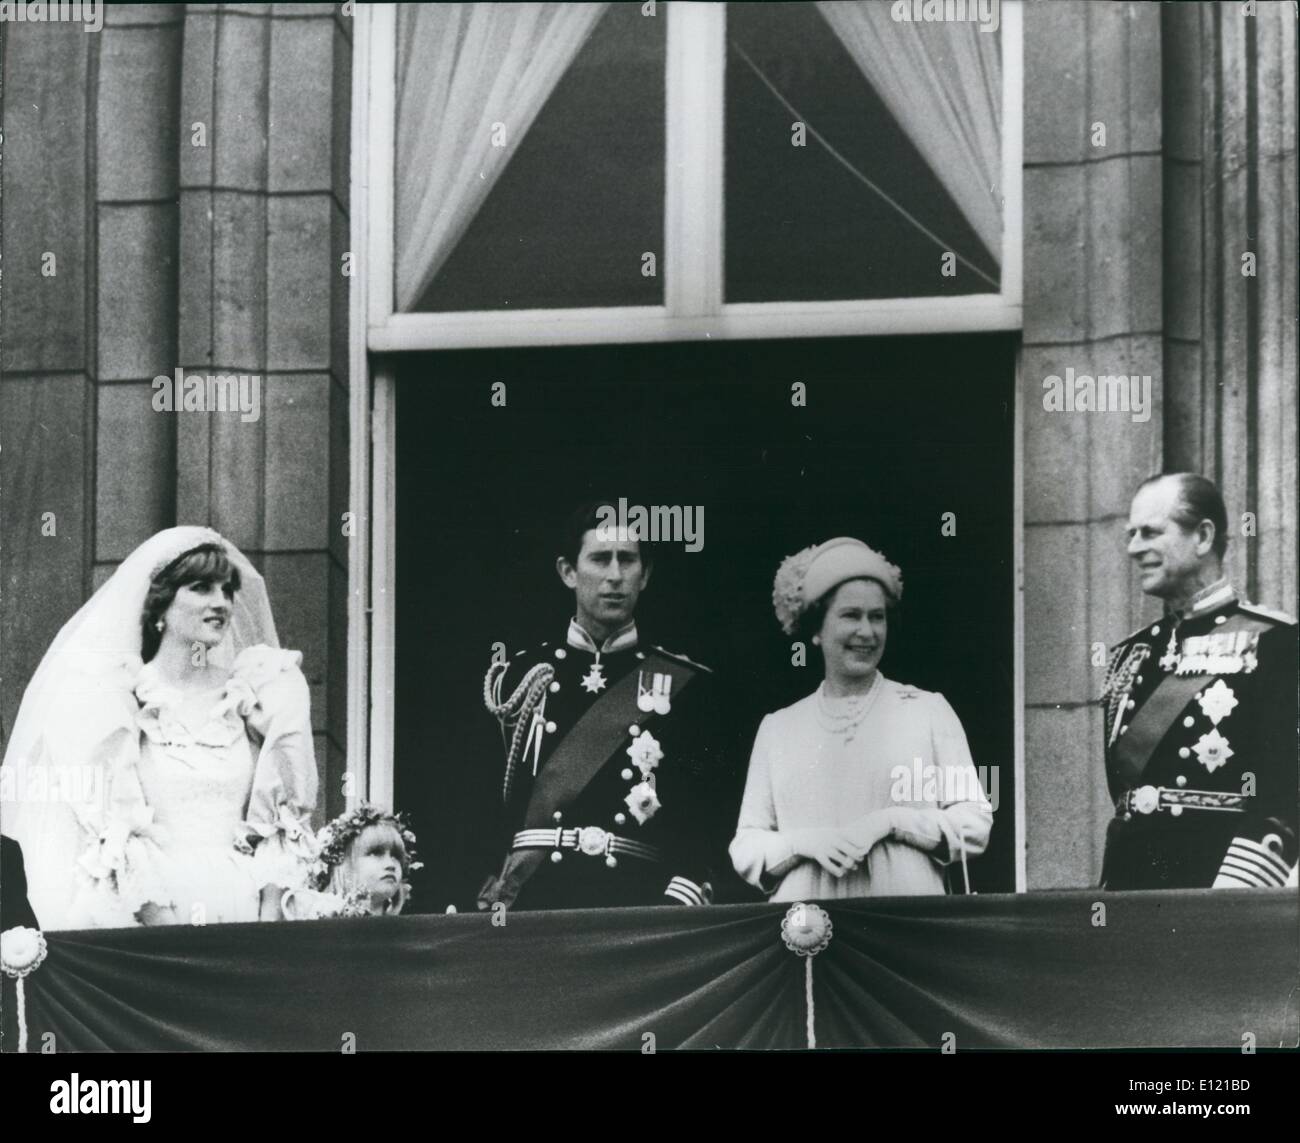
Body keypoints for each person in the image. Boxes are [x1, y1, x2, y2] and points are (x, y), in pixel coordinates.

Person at [0, 526, 318, 929]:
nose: (220, 602)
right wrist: (172, 940)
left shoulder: (255, 695)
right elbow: (116, 838)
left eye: (227, 590)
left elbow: (280, 828)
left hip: (245, 911)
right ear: (160, 606)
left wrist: (264, 934)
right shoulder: (116, 699)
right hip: (149, 915)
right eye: (201, 588)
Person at [477, 501, 724, 911]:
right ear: (568, 572)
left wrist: (673, 910)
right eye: (599, 559)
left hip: (637, 909)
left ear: (644, 575)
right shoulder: (519, 676)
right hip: (530, 906)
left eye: (627, 561)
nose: (614, 576)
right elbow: (481, 806)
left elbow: (703, 820)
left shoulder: (687, 687)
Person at [730, 537, 992, 902]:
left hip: (907, 929)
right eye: (851, 615)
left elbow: (975, 823)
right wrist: (803, 843)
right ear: (816, 630)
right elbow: (746, 846)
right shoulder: (779, 728)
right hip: (806, 934)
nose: (867, 632)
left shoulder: (927, 710)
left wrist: (894, 822)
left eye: (877, 617)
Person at [1101, 474, 1297, 890]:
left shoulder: (1278, 643)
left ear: (1203, 537)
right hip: (1132, 883)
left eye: (1150, 533)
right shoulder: (1132, 655)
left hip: (1220, 885)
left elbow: (1286, 790)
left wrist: (1236, 894)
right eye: (1130, 534)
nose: (1134, 548)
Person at [282, 804, 420, 919]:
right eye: (375, 853)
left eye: (396, 856)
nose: (390, 865)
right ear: (342, 863)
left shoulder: (406, 931)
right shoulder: (317, 919)